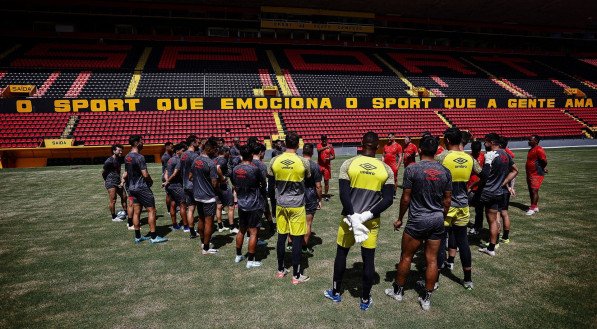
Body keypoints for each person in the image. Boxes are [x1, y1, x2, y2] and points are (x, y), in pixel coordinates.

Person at [324, 132, 394, 311]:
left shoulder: (349, 163)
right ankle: (364, 299)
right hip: (370, 221)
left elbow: (343, 194)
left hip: (348, 219)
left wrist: (354, 216)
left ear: (361, 144)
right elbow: (388, 200)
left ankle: (335, 292)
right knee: (368, 259)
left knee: (342, 253)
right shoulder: (385, 169)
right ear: (378, 146)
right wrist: (365, 216)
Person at [385, 135, 451, 311]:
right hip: (436, 219)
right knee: (432, 260)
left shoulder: (413, 170)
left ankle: (398, 292)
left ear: (420, 149)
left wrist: (400, 218)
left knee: (406, 256)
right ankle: (426, 299)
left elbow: (406, 198)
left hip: (417, 220)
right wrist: (441, 218)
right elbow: (447, 201)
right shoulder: (445, 171)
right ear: (437, 150)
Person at [435, 128, 481, 290]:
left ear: (447, 140)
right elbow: (483, 175)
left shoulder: (442, 157)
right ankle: (467, 279)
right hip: (463, 205)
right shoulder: (469, 158)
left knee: (440, 241)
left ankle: (435, 279)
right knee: (463, 242)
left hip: (445, 206)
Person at [268, 131, 311, 284]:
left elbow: (271, 182)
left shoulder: (274, 160)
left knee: (281, 237)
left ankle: (280, 270)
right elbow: (308, 177)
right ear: (298, 144)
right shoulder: (303, 162)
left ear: (285, 143)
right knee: (297, 239)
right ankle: (296, 275)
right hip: (297, 204)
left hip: (281, 203)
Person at [120, 135, 168, 244]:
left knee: (137, 212)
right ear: (137, 143)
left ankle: (138, 237)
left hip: (131, 188)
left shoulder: (127, 156)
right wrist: (150, 181)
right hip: (141, 187)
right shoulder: (139, 157)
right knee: (152, 210)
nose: (143, 143)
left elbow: (126, 173)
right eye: (142, 142)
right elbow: (145, 174)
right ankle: (154, 237)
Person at [477, 133, 518, 256]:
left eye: (486, 141)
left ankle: (490, 247)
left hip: (488, 191)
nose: (484, 144)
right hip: (499, 192)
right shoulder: (505, 154)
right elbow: (515, 170)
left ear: (491, 142)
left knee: (490, 219)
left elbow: (484, 175)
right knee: (494, 220)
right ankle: (492, 247)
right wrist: (503, 182)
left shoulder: (490, 155)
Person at [232, 145, 267, 268]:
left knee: (242, 229)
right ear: (251, 155)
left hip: (242, 202)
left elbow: (234, 183)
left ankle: (238, 255)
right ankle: (251, 261)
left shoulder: (235, 168)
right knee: (253, 232)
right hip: (254, 203)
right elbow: (263, 183)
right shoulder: (254, 169)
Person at [191, 138, 220, 255]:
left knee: (201, 219)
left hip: (197, 195)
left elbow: (190, 177)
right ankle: (206, 248)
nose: (215, 151)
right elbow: (214, 183)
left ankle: (203, 242)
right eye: (214, 149)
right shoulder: (211, 163)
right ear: (209, 148)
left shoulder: (195, 160)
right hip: (208, 196)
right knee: (209, 222)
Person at [302, 143, 322, 255]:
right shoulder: (315, 166)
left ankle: (292, 244)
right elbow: (318, 186)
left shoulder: (298, 163)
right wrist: (320, 199)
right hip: (310, 195)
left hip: (297, 194)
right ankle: (304, 247)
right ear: (312, 152)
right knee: (308, 223)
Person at [162, 143, 187, 230]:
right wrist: (168, 181)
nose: (185, 153)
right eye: (183, 151)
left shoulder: (170, 159)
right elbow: (175, 173)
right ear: (177, 151)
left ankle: (175, 225)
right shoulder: (179, 160)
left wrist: (166, 181)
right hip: (176, 186)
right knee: (182, 205)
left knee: (172, 204)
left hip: (169, 186)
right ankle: (186, 226)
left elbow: (165, 171)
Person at [251, 142, 275, 233]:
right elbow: (263, 181)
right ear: (261, 152)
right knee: (264, 209)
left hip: (249, 192)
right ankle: (270, 226)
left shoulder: (248, 162)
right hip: (260, 192)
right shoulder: (261, 165)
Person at [214, 146, 237, 233]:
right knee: (231, 206)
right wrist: (222, 178)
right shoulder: (223, 159)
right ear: (225, 152)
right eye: (228, 152)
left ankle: (220, 226)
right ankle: (232, 227)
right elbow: (217, 168)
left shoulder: (215, 159)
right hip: (223, 185)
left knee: (219, 205)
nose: (229, 154)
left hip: (216, 185)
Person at [102, 144, 127, 222]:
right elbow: (104, 172)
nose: (121, 152)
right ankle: (113, 217)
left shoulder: (119, 159)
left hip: (118, 181)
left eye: (121, 150)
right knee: (113, 200)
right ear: (114, 151)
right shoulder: (109, 161)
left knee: (124, 196)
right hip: (110, 182)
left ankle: (126, 213)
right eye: (119, 150)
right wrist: (106, 181)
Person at [181, 135, 199, 236]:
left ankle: (192, 231)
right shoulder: (195, 155)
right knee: (201, 209)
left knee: (190, 208)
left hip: (185, 184)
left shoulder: (183, 154)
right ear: (192, 143)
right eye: (197, 142)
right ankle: (202, 230)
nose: (198, 143)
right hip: (194, 185)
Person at [525, 135, 547, 216]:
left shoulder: (539, 149)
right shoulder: (531, 150)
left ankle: (532, 208)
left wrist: (542, 168)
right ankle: (535, 206)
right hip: (530, 173)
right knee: (531, 190)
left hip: (536, 174)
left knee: (534, 190)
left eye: (530, 140)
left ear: (536, 141)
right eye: (528, 140)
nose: (528, 141)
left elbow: (544, 161)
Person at [467, 140, 485, 236]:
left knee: (479, 209)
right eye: (474, 150)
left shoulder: (484, 157)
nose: (476, 152)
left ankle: (478, 227)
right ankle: (463, 225)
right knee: (465, 208)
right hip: (468, 187)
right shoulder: (468, 157)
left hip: (480, 187)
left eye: (477, 150)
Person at [383, 133, 403, 198]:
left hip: (393, 165)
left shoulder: (398, 146)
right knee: (385, 178)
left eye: (390, 137)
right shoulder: (385, 146)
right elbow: (383, 156)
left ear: (394, 137)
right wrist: (382, 163)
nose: (388, 138)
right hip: (386, 165)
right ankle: (385, 191)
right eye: (388, 137)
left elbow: (400, 157)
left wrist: (398, 166)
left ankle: (394, 192)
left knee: (394, 179)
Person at [317, 135, 335, 201]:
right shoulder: (319, 145)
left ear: (327, 139)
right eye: (323, 139)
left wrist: (329, 158)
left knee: (326, 182)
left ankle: (326, 195)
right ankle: (319, 194)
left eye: (325, 139)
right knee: (318, 181)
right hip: (319, 166)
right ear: (321, 140)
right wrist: (325, 147)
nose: (324, 141)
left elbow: (333, 156)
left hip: (327, 166)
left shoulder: (330, 146)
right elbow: (318, 150)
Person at [161, 142, 173, 217]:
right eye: (171, 147)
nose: (172, 148)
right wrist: (167, 179)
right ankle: (169, 210)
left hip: (167, 175)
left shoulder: (168, 155)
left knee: (170, 193)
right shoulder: (166, 157)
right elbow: (166, 169)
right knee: (168, 193)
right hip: (166, 176)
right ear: (167, 147)